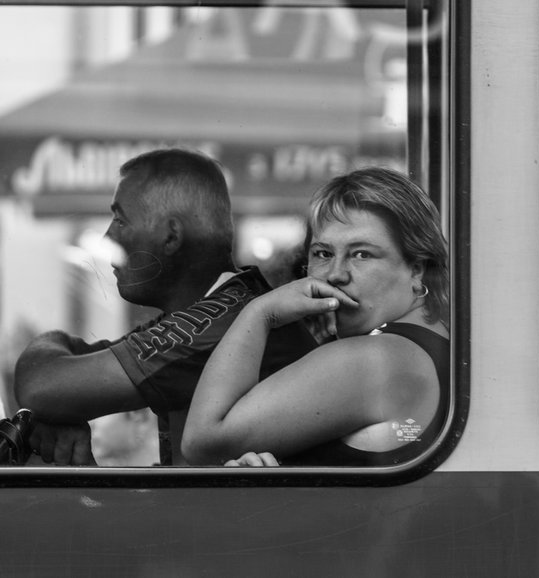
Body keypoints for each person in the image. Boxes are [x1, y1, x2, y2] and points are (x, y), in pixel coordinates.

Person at [14, 148, 317, 465]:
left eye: (120, 220)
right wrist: (58, 409)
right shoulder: (220, 307)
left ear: (171, 236)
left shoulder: (218, 324)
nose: (107, 236)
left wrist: (55, 381)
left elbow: (40, 386)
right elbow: (61, 382)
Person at [181, 167, 450, 466]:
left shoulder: (377, 357)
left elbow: (202, 442)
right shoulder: (428, 344)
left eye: (361, 254)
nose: (336, 274)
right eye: (323, 253)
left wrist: (260, 312)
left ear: (417, 269)